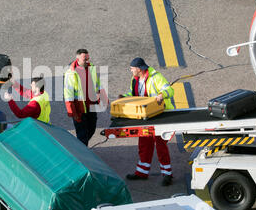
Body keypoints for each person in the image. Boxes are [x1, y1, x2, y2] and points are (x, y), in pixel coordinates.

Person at [120, 57, 175, 186]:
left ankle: (167, 175)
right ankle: (142, 173)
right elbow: (132, 93)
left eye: (132, 68)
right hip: (145, 116)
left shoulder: (156, 77)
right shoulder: (135, 80)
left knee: (161, 145)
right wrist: (124, 97)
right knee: (144, 144)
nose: (131, 70)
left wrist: (162, 95)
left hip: (160, 115)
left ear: (139, 69)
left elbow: (170, 90)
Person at [64, 49, 107, 146]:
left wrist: (103, 98)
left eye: (88, 58)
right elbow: (68, 95)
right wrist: (73, 113)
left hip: (91, 106)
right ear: (77, 59)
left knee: (91, 129)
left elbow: (98, 84)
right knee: (82, 134)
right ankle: (82, 153)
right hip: (79, 108)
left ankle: (80, 148)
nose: (87, 61)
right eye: (85, 59)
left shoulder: (91, 68)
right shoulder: (71, 74)